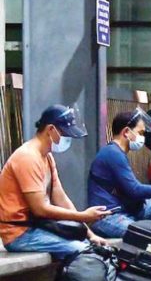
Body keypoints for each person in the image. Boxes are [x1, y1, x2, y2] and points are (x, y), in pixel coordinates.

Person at [0, 105, 110, 259]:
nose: (68, 140)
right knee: (83, 252)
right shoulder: (28, 157)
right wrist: (83, 216)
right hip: (19, 234)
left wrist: (90, 234)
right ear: (50, 129)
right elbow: (40, 209)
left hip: (38, 227)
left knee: (92, 247)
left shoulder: (47, 157)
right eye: (65, 134)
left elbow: (61, 199)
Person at [88, 111, 151, 238]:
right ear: (126, 132)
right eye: (140, 133)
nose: (142, 138)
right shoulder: (113, 154)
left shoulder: (116, 152)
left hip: (124, 208)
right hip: (108, 217)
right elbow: (135, 190)